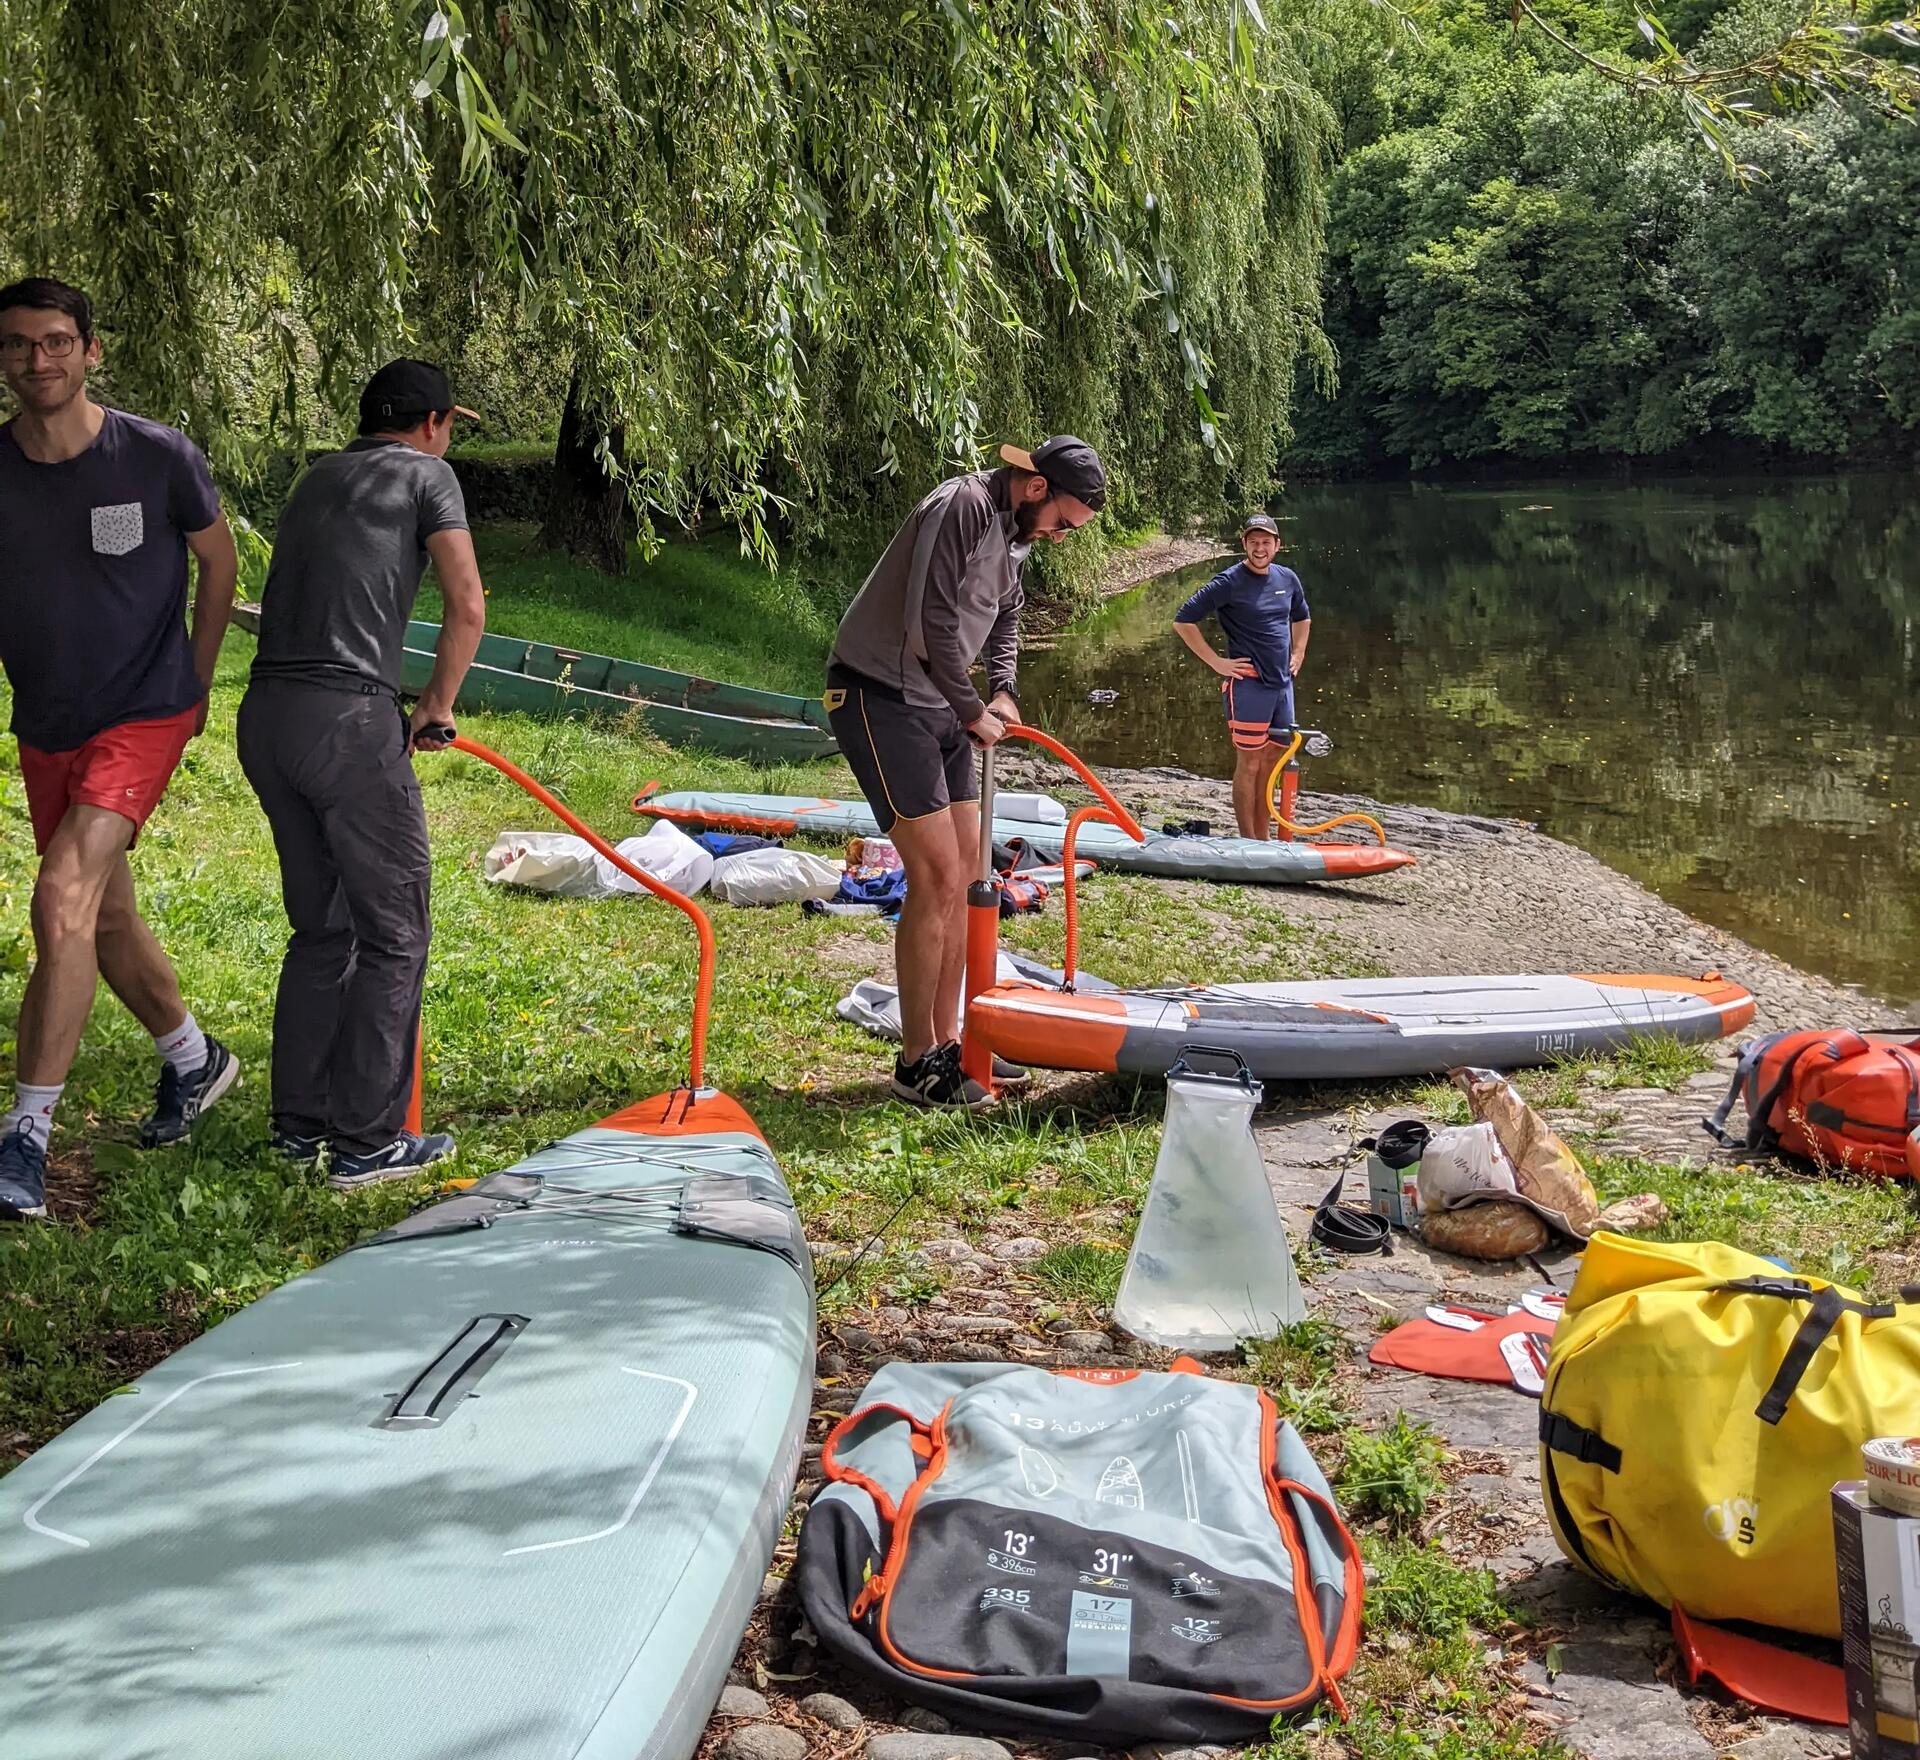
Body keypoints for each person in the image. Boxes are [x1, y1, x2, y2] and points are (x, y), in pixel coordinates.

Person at [0, 277, 242, 1222]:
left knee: (59, 896)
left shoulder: (154, 456)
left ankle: (25, 1136)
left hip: (145, 707)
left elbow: (218, 561)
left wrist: (196, 681)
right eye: (19, 345)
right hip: (48, 720)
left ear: (91, 351)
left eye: (56, 341)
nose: (38, 360)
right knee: (96, 919)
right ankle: (195, 1059)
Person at [238, 359, 486, 1188]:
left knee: (322, 928)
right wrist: (437, 705)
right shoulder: (430, 476)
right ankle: (368, 1141)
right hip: (347, 724)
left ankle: (296, 1127)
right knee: (395, 931)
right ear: (431, 424)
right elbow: (467, 603)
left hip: (266, 716)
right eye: (449, 426)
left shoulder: (317, 478)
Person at [825, 436, 1107, 1107]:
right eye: (1064, 523)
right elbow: (932, 621)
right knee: (937, 875)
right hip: (879, 695)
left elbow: (1006, 613)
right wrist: (971, 706)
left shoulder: (1016, 529)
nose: (1063, 537)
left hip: (944, 707)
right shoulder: (962, 506)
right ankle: (916, 1062)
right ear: (1035, 487)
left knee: (971, 873)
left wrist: (1003, 687)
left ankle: (951, 1040)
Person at [1173, 513, 1312, 840]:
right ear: (1244, 545)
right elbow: (1183, 621)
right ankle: (1248, 842)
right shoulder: (1230, 581)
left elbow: (1302, 616)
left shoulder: (1287, 578)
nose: (1259, 548)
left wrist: (1300, 652)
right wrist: (1217, 663)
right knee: (1249, 764)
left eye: (1266, 542)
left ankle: (1263, 840)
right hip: (1248, 686)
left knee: (1271, 764)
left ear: (1277, 545)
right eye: (1253, 542)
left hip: (1282, 687)